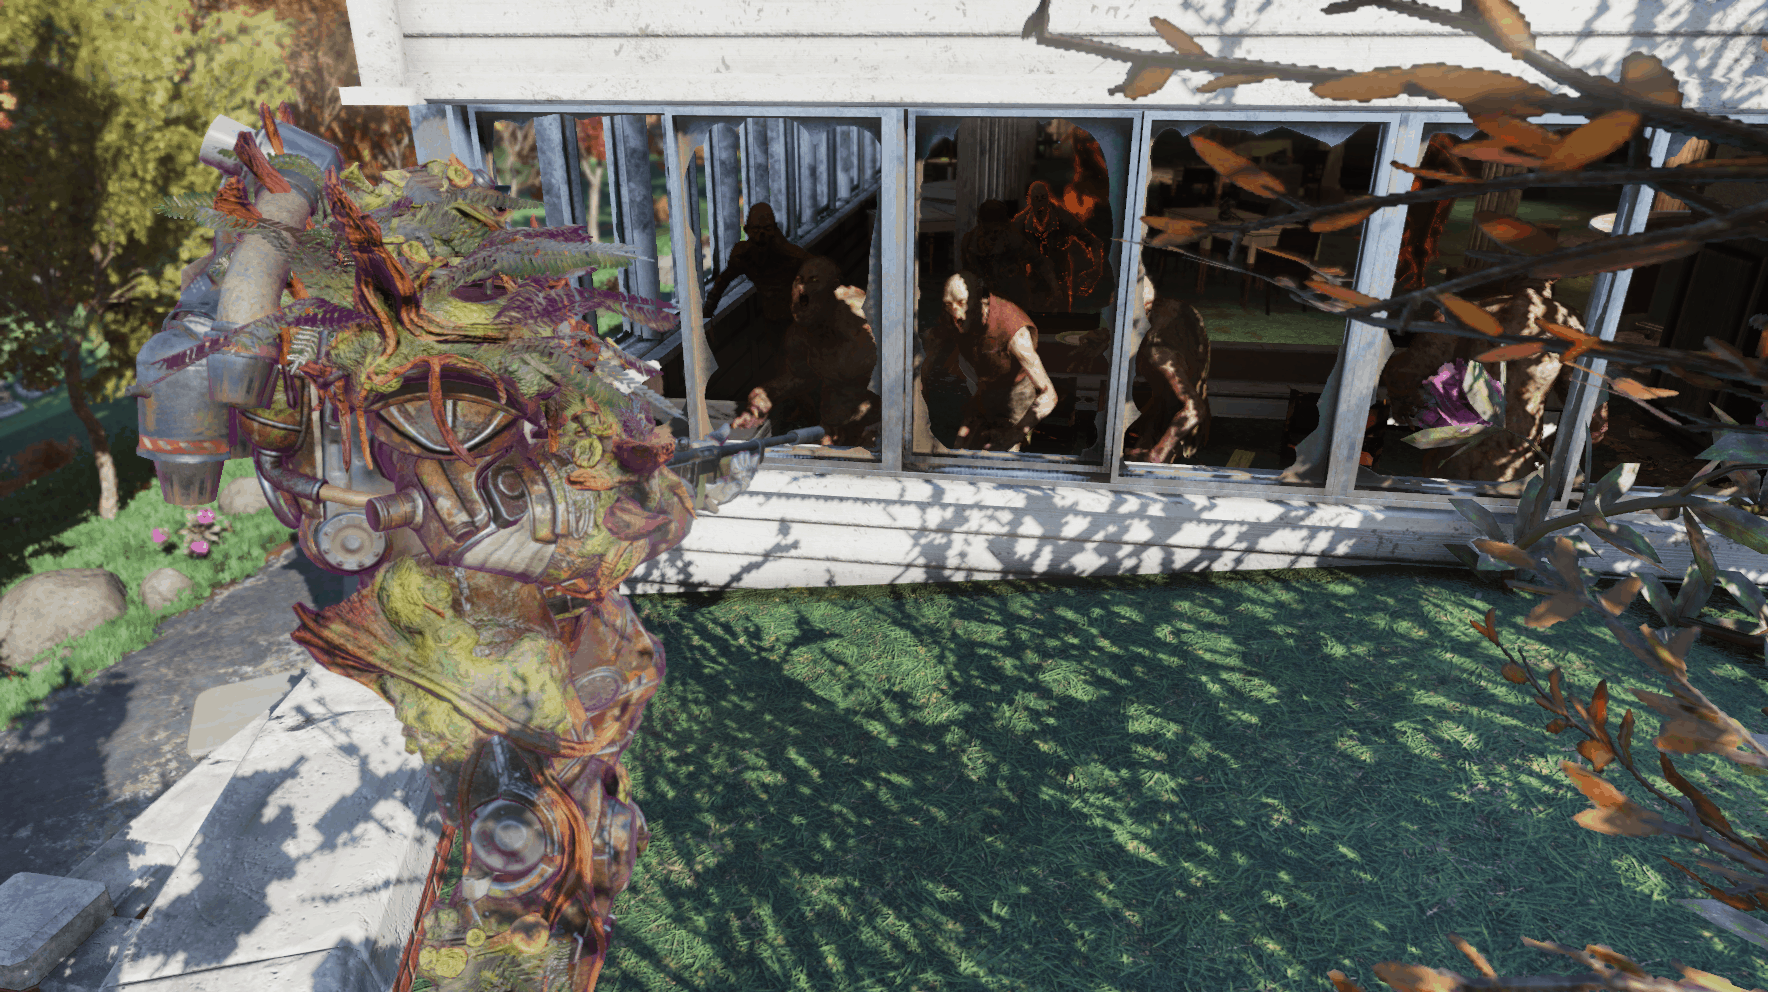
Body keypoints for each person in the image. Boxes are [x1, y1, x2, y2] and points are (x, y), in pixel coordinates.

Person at [927, 271, 1058, 451]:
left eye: (962, 303)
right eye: (949, 305)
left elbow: (1049, 395)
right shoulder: (954, 318)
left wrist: (1015, 434)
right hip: (986, 390)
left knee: (1003, 456)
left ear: (981, 300)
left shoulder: (1014, 331)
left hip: (1016, 396)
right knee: (960, 449)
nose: (956, 314)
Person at [701, 203, 810, 322]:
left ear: (774, 230)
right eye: (756, 229)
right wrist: (706, 314)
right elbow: (721, 282)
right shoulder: (743, 256)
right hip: (772, 317)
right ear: (747, 230)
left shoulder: (790, 254)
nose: (761, 234)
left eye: (767, 229)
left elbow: (818, 268)